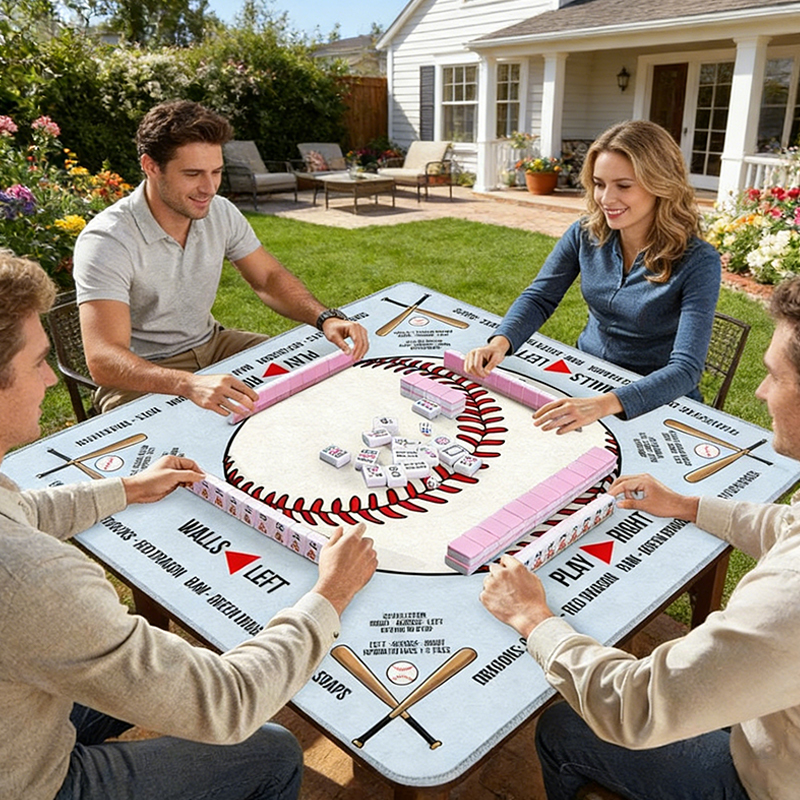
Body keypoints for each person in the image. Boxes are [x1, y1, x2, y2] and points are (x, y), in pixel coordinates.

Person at [0, 249, 378, 800]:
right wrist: (330, 594)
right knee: (270, 750)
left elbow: (20, 509)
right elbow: (226, 704)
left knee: (132, 662)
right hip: (28, 781)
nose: (52, 383)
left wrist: (126, 487)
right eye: (38, 363)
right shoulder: (34, 580)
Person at [479, 273, 800, 800]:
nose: (761, 391)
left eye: (774, 376)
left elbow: (635, 709)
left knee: (564, 728)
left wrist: (532, 617)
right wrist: (688, 504)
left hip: (767, 782)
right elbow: (787, 526)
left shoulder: (787, 597)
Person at [73, 100, 369, 416]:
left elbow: (268, 279)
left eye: (216, 172)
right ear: (151, 166)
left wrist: (325, 318)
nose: (209, 188)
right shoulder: (108, 239)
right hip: (142, 375)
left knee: (313, 380)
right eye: (193, 174)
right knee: (185, 453)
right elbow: (103, 359)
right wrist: (188, 383)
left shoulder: (221, 212)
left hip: (214, 345)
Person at [464, 120, 721, 433]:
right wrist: (501, 342)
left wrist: (602, 405)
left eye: (623, 186)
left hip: (656, 400)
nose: (606, 198)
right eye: (599, 184)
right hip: (584, 378)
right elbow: (540, 297)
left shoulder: (699, 261)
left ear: (660, 184)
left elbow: (686, 371)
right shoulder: (585, 234)